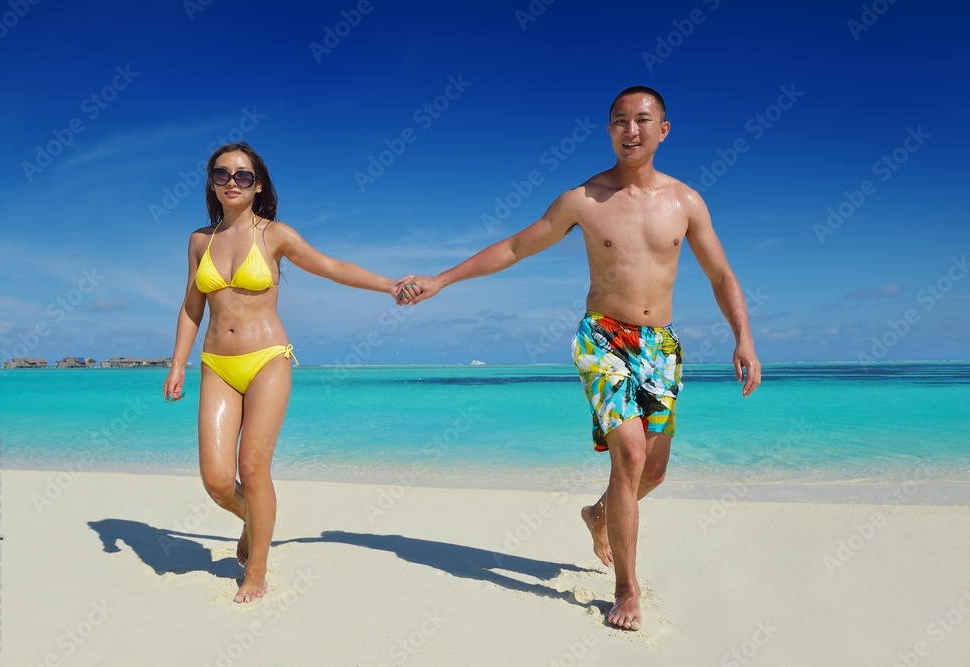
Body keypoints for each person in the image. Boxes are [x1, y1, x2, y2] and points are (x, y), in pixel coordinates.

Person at [398, 86, 761, 630]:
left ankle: (599, 515)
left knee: (654, 472)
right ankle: (627, 590)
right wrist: (442, 280)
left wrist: (744, 337)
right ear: (609, 130)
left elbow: (721, 274)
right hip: (603, 339)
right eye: (619, 121)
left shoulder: (686, 203)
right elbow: (517, 247)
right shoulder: (583, 199)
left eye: (642, 120)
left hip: (659, 346)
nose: (630, 130)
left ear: (663, 130)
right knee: (631, 455)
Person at [163, 142, 408, 603]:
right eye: (222, 174)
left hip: (267, 359)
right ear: (211, 183)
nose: (232, 182)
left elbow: (332, 267)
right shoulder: (200, 240)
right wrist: (178, 363)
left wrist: (389, 285)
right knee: (217, 481)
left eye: (243, 176)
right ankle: (254, 521)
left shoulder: (275, 235)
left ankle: (256, 571)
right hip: (216, 364)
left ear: (258, 186)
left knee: (253, 469)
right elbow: (192, 305)